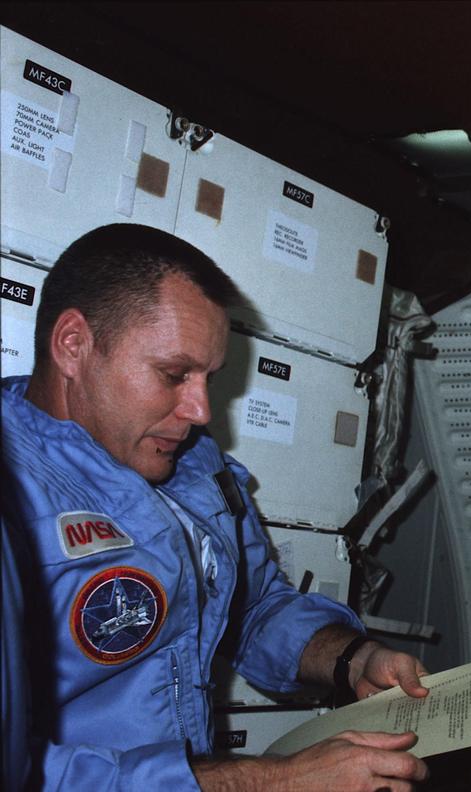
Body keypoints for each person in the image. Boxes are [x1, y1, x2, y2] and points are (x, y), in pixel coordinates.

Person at [0, 224, 430, 790]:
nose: (202, 411)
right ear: (74, 345)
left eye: (208, 378)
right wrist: (270, 782)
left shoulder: (197, 467)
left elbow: (252, 609)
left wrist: (353, 658)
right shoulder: (14, 491)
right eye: (174, 375)